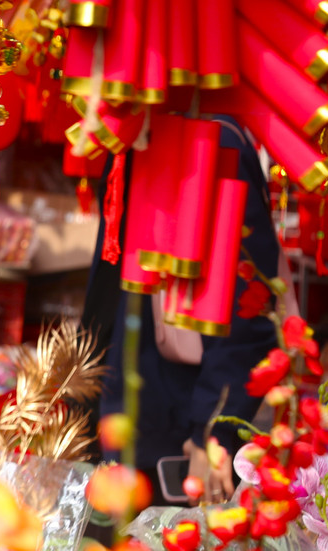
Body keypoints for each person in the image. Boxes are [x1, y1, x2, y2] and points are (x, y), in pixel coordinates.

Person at [84, 115, 282, 504]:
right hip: (121, 416)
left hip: (174, 433)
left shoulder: (214, 139)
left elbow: (249, 309)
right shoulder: (135, 132)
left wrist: (213, 431)